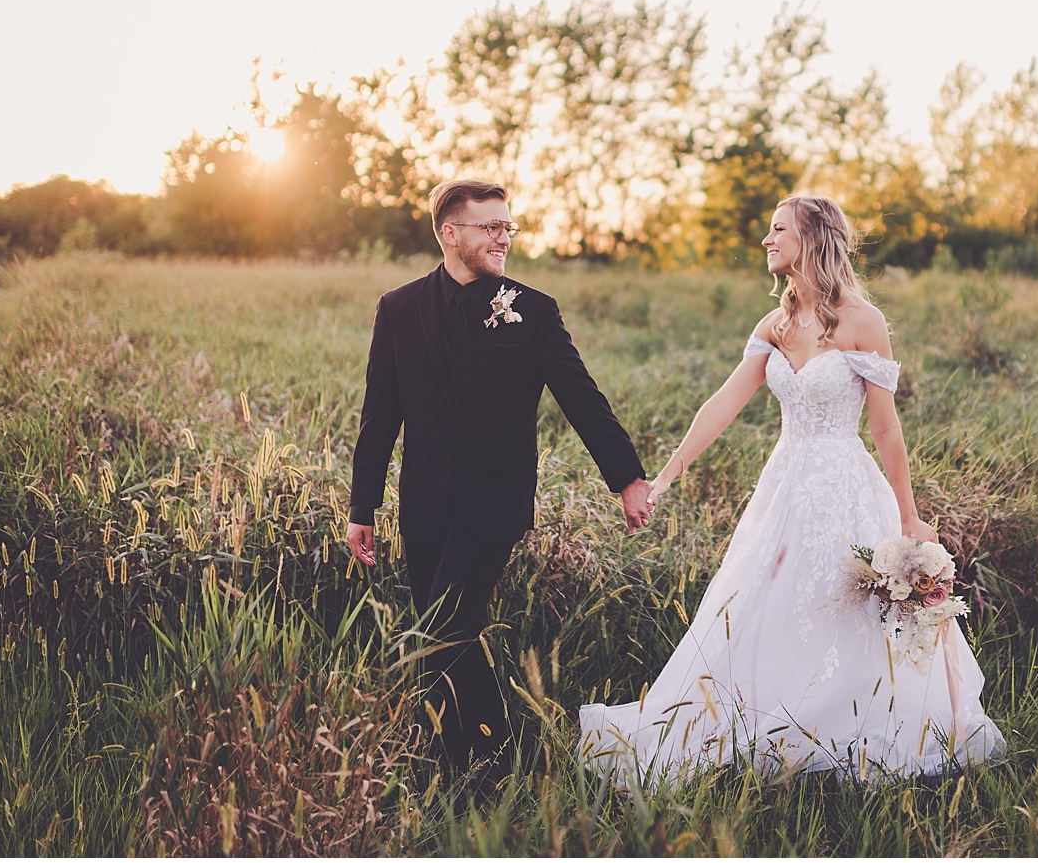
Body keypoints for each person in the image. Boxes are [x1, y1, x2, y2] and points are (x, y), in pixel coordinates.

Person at [579, 197, 1003, 784]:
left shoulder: (862, 321)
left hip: (846, 485)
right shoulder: (774, 324)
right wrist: (667, 475)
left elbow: (885, 428)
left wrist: (909, 516)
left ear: (812, 238)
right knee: (761, 602)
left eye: (778, 230)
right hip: (785, 486)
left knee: (851, 604)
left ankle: (847, 726)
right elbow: (723, 404)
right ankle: (765, 720)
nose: (766, 240)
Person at [346, 180, 651, 772]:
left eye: (507, 226)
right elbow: (379, 415)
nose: (503, 237)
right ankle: (453, 757)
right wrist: (364, 507)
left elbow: (580, 396)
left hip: (495, 503)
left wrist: (627, 478)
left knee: (444, 623)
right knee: (439, 631)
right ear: (449, 232)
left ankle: (499, 758)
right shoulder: (399, 308)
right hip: (425, 501)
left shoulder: (531, 310)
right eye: (490, 227)